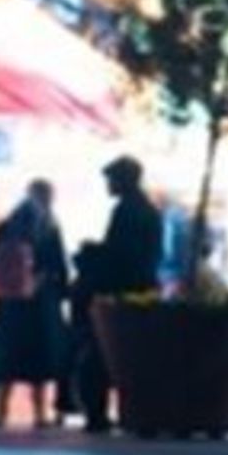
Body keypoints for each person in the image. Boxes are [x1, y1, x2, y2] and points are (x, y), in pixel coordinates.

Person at [79, 154, 163, 434]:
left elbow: (118, 254)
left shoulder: (126, 211)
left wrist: (89, 253)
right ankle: (133, 414)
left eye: (110, 180)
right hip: (142, 290)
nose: (108, 186)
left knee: (100, 354)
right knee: (132, 357)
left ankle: (97, 414)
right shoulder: (148, 210)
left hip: (119, 293)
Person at [0, 179, 68, 429]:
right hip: (39, 303)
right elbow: (59, 268)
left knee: (5, 358)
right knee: (39, 362)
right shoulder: (50, 228)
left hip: (9, 302)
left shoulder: (6, 225)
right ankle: (40, 413)